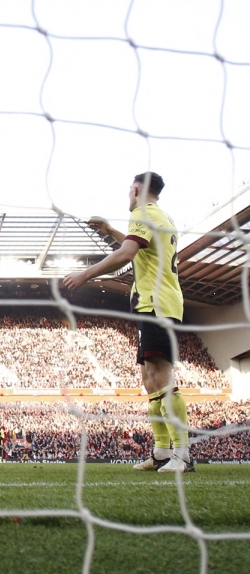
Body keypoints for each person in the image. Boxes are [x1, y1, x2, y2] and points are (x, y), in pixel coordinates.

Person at [63, 172, 191, 473]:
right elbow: (138, 246)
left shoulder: (142, 212)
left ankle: (182, 454)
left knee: (161, 375)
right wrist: (109, 230)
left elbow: (127, 253)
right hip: (155, 303)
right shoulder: (161, 217)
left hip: (156, 303)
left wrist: (85, 274)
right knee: (150, 378)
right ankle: (161, 451)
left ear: (135, 190)